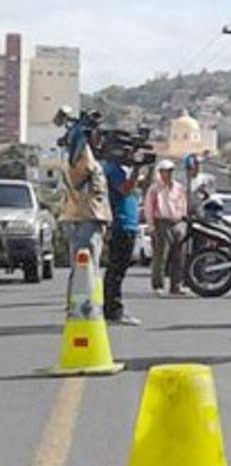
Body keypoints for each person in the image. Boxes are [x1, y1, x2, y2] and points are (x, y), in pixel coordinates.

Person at [59, 120, 111, 302]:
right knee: (86, 268)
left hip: (81, 216)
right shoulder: (82, 157)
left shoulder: (74, 157)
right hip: (86, 217)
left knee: (82, 267)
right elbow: (84, 175)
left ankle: (81, 306)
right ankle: (84, 307)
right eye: (97, 136)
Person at [101, 149, 145, 325]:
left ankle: (112, 308)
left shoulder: (120, 170)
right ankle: (113, 310)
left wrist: (141, 168)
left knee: (118, 269)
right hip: (121, 223)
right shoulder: (114, 170)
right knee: (116, 269)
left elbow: (139, 187)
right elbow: (126, 190)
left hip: (128, 223)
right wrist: (135, 170)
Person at [144, 159, 189, 297]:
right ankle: (158, 285)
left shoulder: (179, 187)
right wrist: (151, 226)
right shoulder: (154, 189)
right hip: (161, 223)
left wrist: (184, 221)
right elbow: (149, 208)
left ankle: (176, 285)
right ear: (160, 172)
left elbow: (183, 204)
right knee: (161, 256)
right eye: (165, 171)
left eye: (170, 171)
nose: (168, 174)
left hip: (178, 223)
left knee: (179, 256)